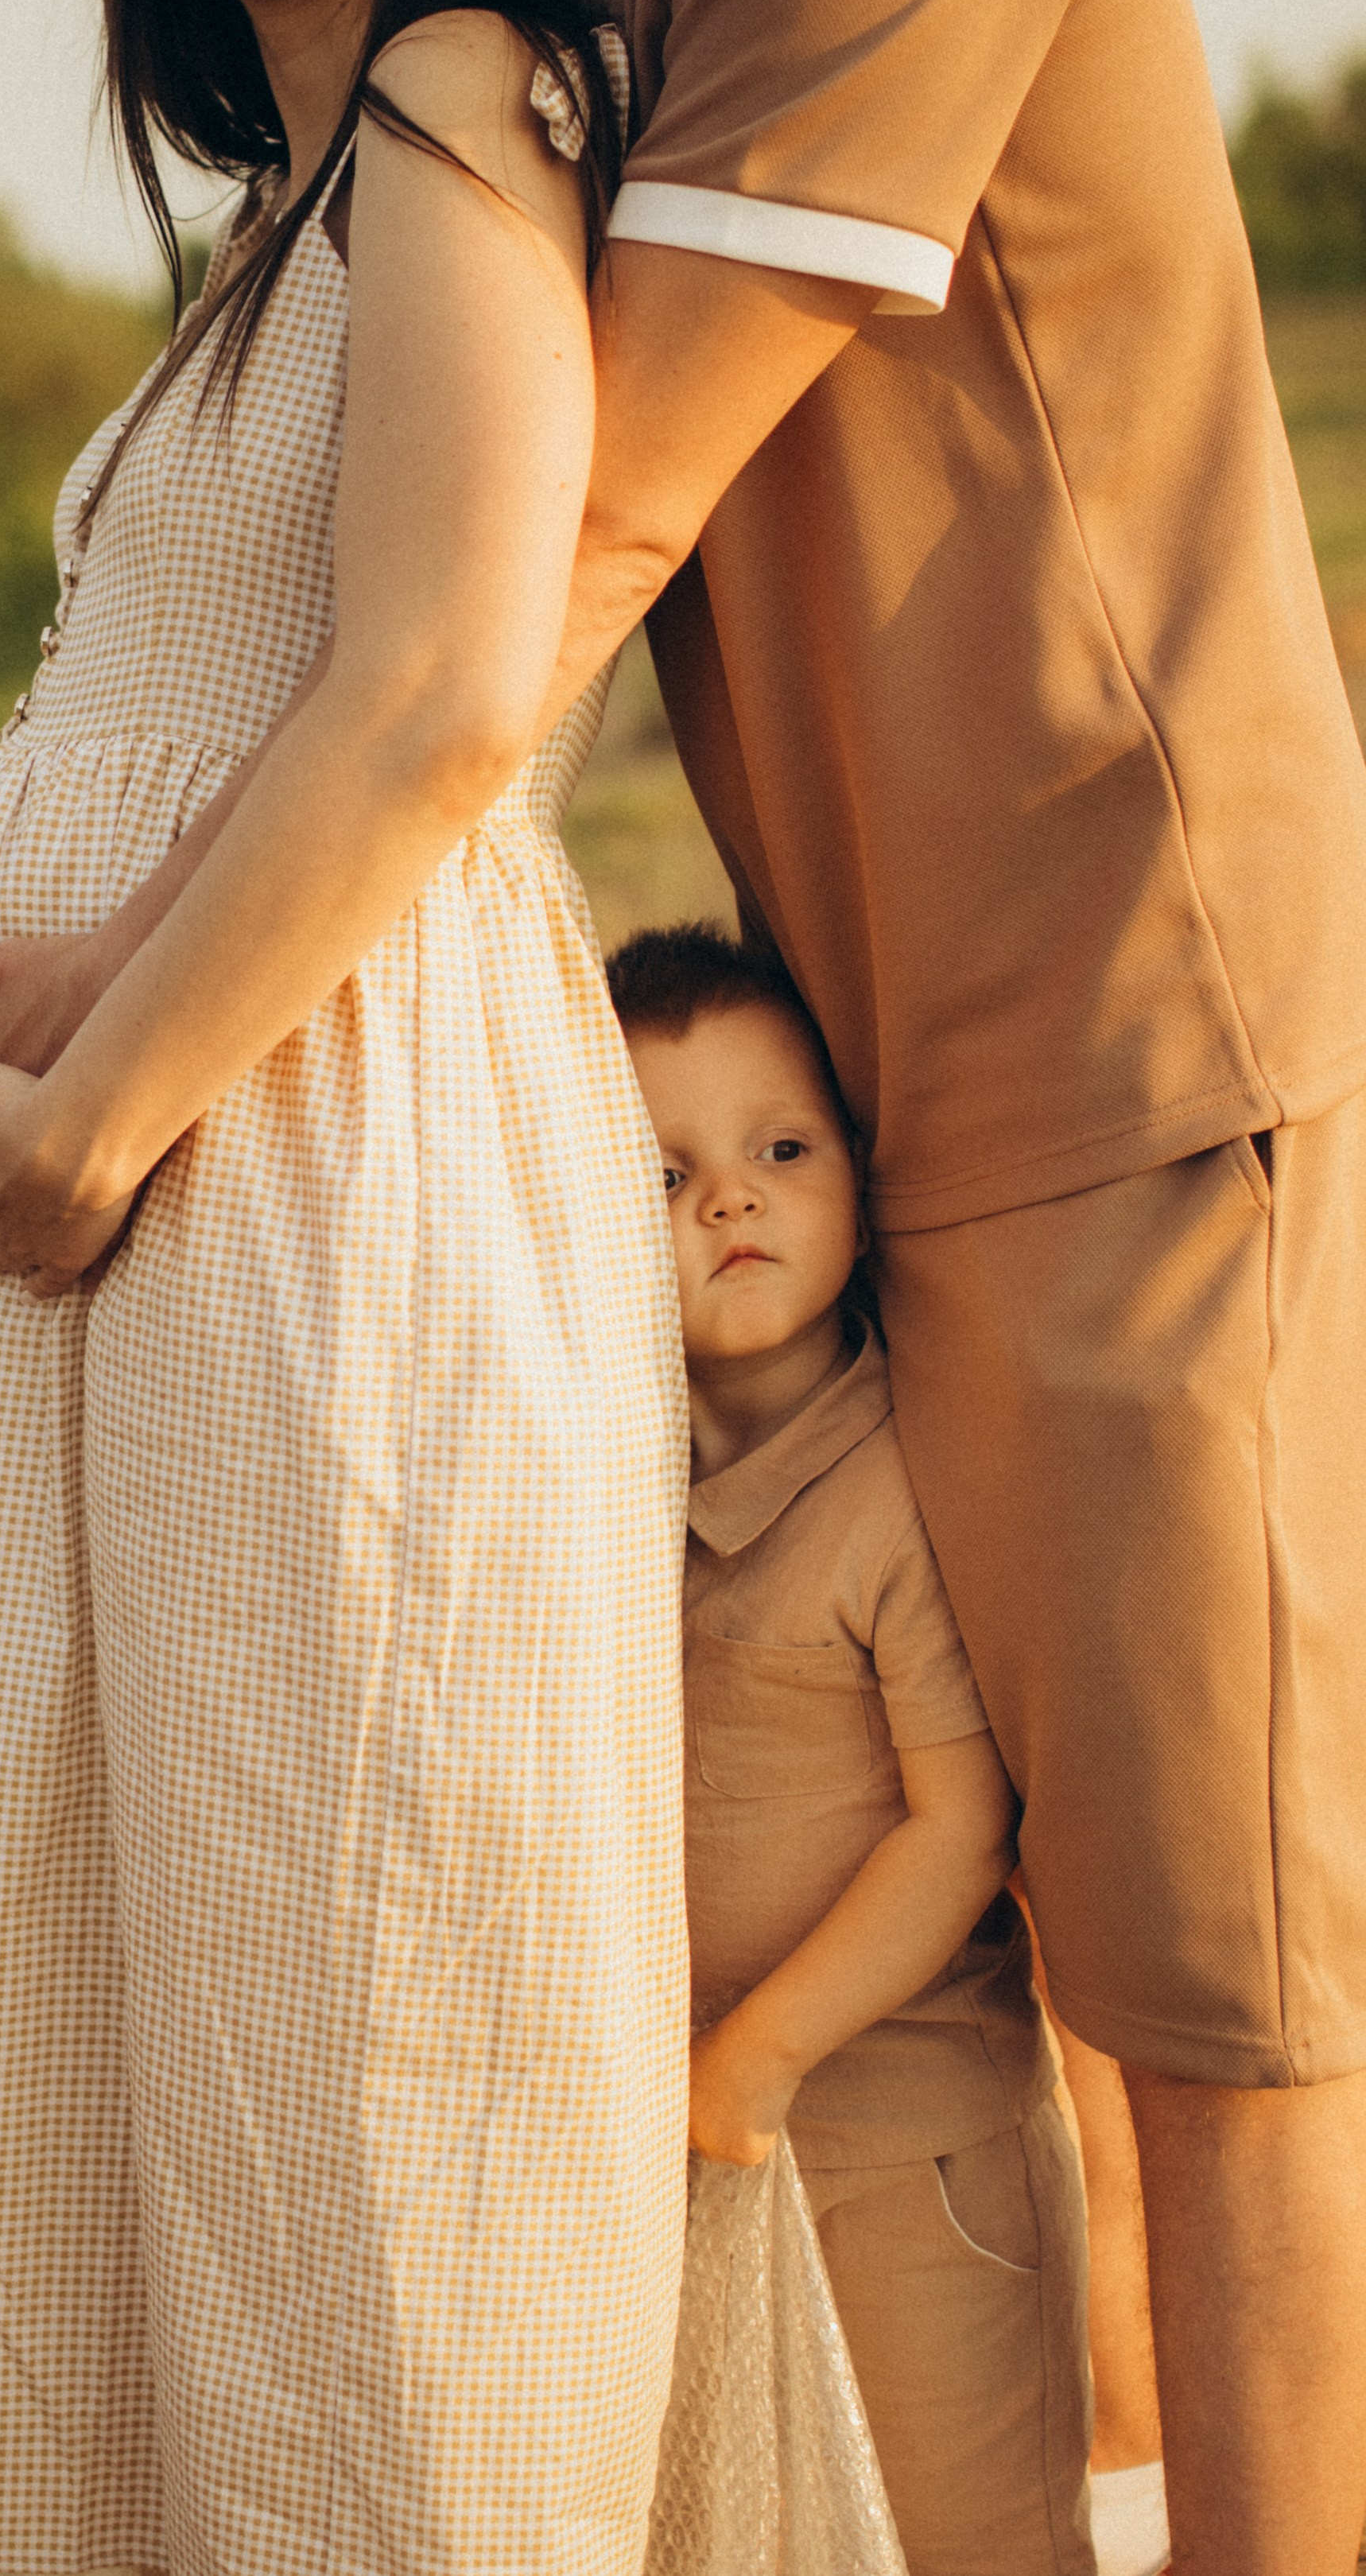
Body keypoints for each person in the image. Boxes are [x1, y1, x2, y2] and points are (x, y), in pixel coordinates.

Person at [0, 0, 1366, 2564]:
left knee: (1222, 1990)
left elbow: (550, 560)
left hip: (1117, 1026)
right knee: (991, 1938)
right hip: (871, 1055)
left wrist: (126, 1032)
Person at [0, 0, 723, 2570]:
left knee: (357, 2011)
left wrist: (87, 1123)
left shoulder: (468, 84)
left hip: (312, 1179)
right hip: (197, 1191)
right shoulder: (292, 206)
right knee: (164, 1983)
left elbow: (456, 682)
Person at [611, 922, 1093, 2576]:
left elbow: (958, 1828)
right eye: (660, 1172)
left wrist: (762, 2047)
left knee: (969, 2531)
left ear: (859, 1172)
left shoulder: (899, 1478)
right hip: (692, 2119)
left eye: (778, 1147)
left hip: (910, 2141)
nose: (727, 1198)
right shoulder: (613, 1485)